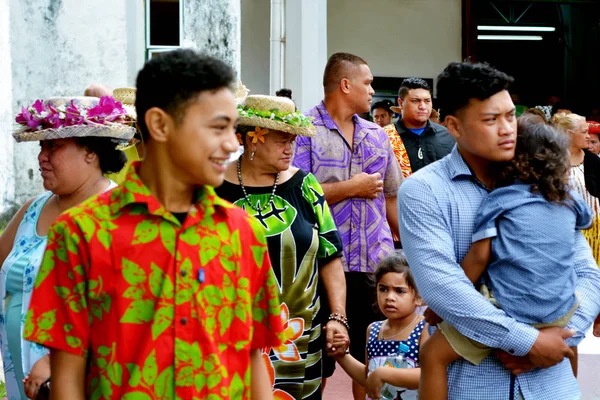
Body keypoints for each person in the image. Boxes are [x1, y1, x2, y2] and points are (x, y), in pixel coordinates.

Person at [23, 49, 284, 399]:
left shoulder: (243, 233)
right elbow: (67, 378)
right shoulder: (81, 233)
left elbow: (253, 359)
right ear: (160, 125)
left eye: (234, 129)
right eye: (218, 127)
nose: (231, 143)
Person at [398, 61, 600, 399]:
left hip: (552, 386)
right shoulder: (424, 191)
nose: (507, 129)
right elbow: (444, 289)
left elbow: (587, 273)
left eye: (510, 116)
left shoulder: (543, 179)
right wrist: (529, 341)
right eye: (491, 120)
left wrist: (559, 338)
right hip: (476, 386)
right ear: (454, 126)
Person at [419, 122, 591, 400]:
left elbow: (479, 257)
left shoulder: (500, 200)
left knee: (431, 355)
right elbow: (586, 222)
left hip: (509, 309)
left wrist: (442, 308)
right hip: (560, 311)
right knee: (566, 347)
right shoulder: (567, 201)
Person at [0, 95, 134, 399]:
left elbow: (127, 312)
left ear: (90, 151)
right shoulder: (32, 210)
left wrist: (54, 359)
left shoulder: (118, 217)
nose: (42, 157)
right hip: (22, 384)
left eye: (54, 146)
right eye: (41, 146)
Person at [216, 93, 347, 399]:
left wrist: (338, 317)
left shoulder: (305, 185)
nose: (291, 148)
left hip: (300, 336)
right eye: (281, 139)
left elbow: (330, 256)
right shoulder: (213, 187)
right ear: (252, 139)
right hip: (233, 334)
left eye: (293, 139)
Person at [293, 52, 402, 400]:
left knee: (372, 355)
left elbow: (391, 199)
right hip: (324, 264)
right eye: (367, 83)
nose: (372, 91)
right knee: (321, 356)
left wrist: (407, 254)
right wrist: (351, 188)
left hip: (374, 265)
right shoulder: (305, 131)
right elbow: (297, 196)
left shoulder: (378, 135)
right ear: (345, 84)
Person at [330, 251, 428, 400]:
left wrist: (384, 374)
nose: (389, 297)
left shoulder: (423, 328)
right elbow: (368, 377)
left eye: (399, 291)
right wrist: (342, 356)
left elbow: (428, 375)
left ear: (419, 297)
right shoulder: (374, 330)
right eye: (383, 289)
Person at [553, 112, 600, 265]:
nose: (588, 136)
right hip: (564, 229)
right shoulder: (552, 161)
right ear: (569, 134)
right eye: (584, 132)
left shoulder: (593, 161)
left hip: (595, 228)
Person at [385, 78, 454, 176]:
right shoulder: (385, 137)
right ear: (401, 103)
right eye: (415, 101)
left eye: (427, 101)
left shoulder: (447, 136)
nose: (422, 106)